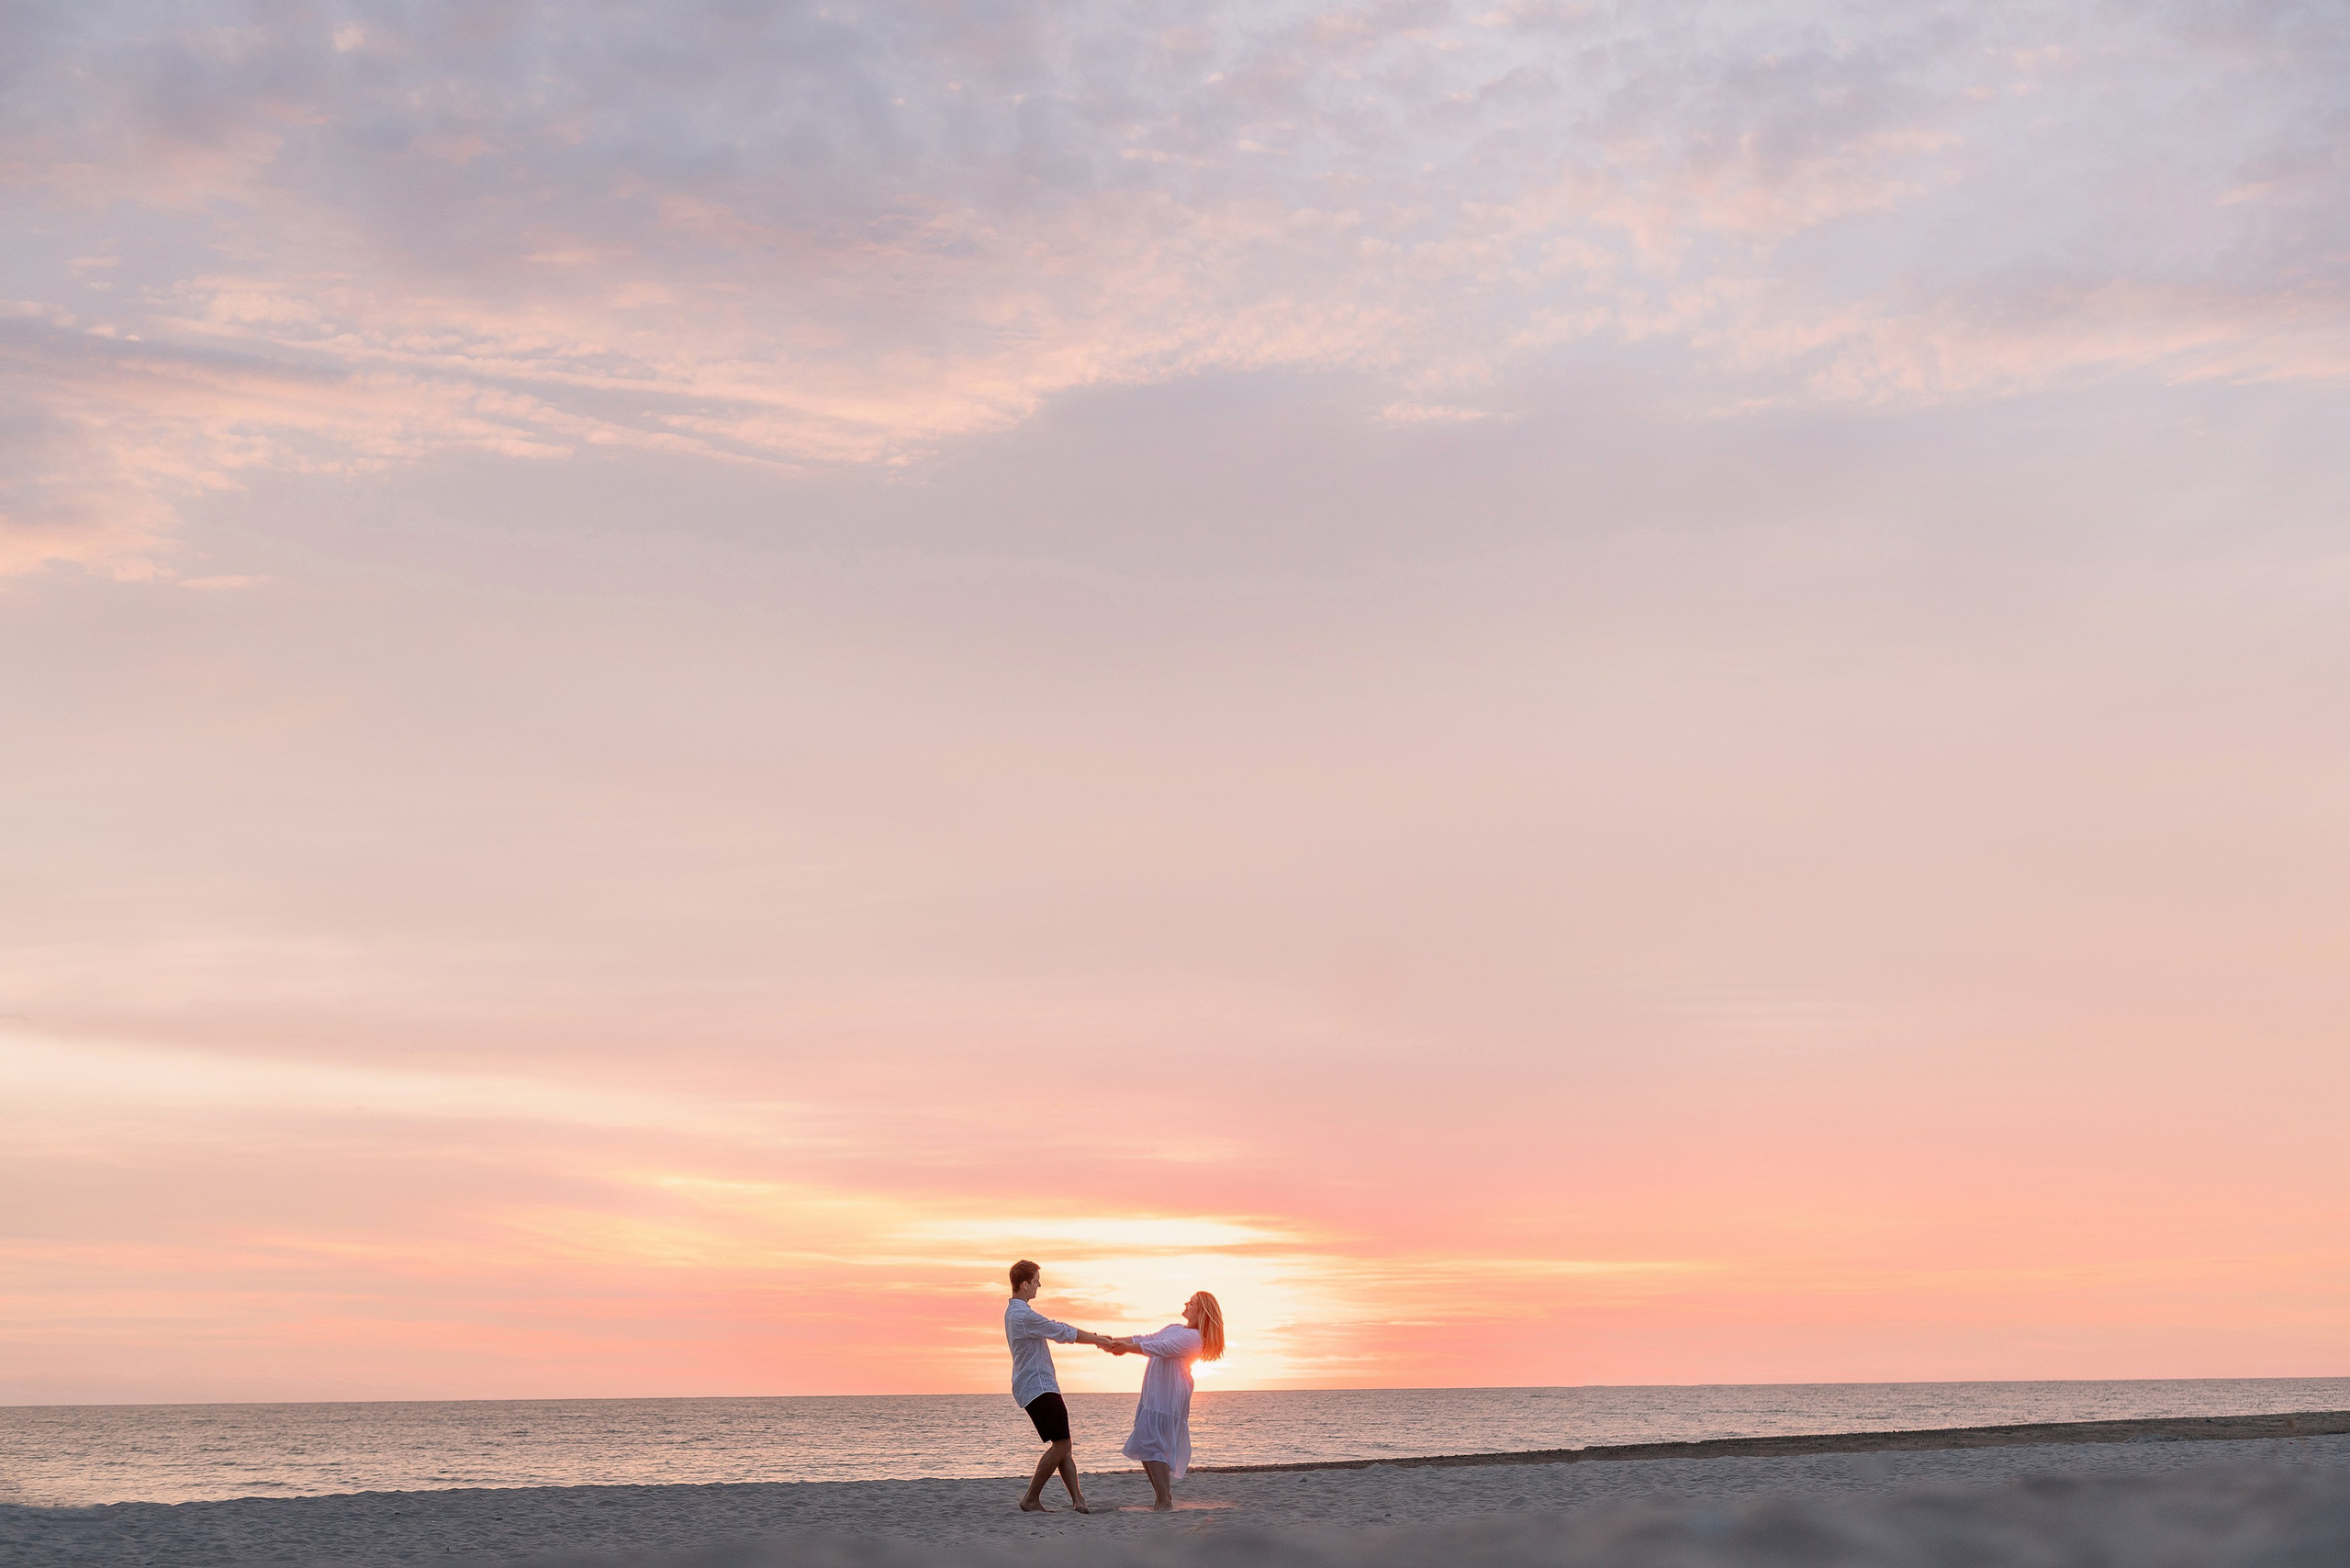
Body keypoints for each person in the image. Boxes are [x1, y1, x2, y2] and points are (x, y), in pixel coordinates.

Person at [1004, 1259, 1118, 1513]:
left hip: (1035, 1386)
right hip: (1039, 1386)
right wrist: (1097, 1339)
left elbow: (1057, 1328)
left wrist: (1095, 1337)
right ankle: (1031, 1498)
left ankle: (1079, 1501)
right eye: (1035, 1281)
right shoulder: (1022, 1315)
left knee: (1063, 1443)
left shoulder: (1016, 1313)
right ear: (1024, 1284)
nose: (1039, 1285)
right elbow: (1061, 1331)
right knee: (1063, 1445)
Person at [1100, 1291, 1225, 1510]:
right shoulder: (1175, 1328)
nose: (1187, 1303)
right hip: (1154, 1392)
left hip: (1169, 1394)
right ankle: (1162, 1498)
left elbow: (1161, 1348)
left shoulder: (1194, 1338)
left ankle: (1164, 1500)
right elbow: (1146, 1339)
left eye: (1192, 1303)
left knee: (1153, 1445)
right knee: (1146, 1445)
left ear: (1202, 1311)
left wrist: (1127, 1349)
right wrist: (1114, 1341)